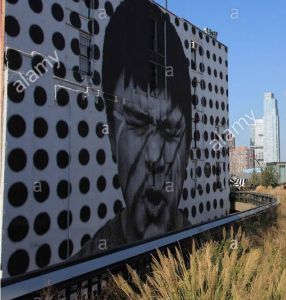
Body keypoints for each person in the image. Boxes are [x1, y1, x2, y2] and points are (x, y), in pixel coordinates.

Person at [75, 0, 192, 258]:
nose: (154, 156)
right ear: (111, 135)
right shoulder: (83, 266)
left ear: (188, 149)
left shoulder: (202, 252)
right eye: (138, 124)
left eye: (170, 130)